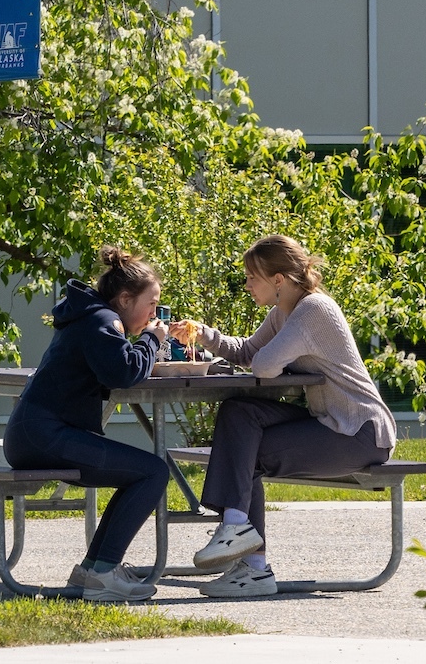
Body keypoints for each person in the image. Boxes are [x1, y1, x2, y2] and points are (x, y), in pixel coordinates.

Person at [168, 234, 395, 599]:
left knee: (247, 448)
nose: (246, 284)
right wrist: (203, 333)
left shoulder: (313, 310)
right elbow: (247, 352)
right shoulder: (284, 313)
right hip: (331, 424)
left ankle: (246, 549)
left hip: (360, 431)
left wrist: (262, 359)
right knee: (240, 414)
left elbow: (266, 365)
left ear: (278, 280)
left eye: (251, 277)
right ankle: (244, 547)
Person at [3, 246, 170, 602]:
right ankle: (104, 571)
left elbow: (113, 366)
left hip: (34, 435)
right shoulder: (102, 321)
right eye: (151, 304)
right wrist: (152, 340)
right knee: (152, 472)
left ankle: (94, 568)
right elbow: (123, 372)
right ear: (125, 299)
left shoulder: (91, 316)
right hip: (45, 436)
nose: (154, 313)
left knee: (140, 472)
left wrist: (142, 346)